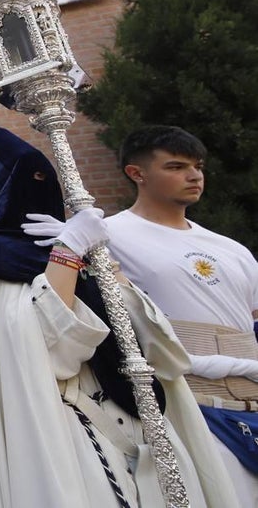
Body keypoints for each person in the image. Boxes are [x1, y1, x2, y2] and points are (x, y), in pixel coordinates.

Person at [0, 83, 237, 508]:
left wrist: (99, 265)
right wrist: (66, 255)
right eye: (32, 182)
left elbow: (159, 347)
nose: (44, 192)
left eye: (47, 181)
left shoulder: (83, 246)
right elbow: (49, 349)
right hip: (70, 425)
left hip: (142, 416)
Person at [102, 125, 258, 504]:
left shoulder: (230, 248)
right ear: (137, 174)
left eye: (198, 166)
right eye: (176, 166)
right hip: (187, 407)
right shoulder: (107, 236)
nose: (194, 176)